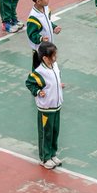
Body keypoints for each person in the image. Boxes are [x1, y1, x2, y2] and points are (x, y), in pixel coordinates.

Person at [25, 41, 64, 169]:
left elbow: (55, 80)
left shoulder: (55, 66)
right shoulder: (39, 72)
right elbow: (29, 83)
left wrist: (59, 85)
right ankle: (44, 158)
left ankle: (52, 154)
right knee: (46, 133)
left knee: (55, 132)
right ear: (45, 58)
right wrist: (37, 91)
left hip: (56, 106)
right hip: (46, 108)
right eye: (53, 55)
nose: (55, 57)